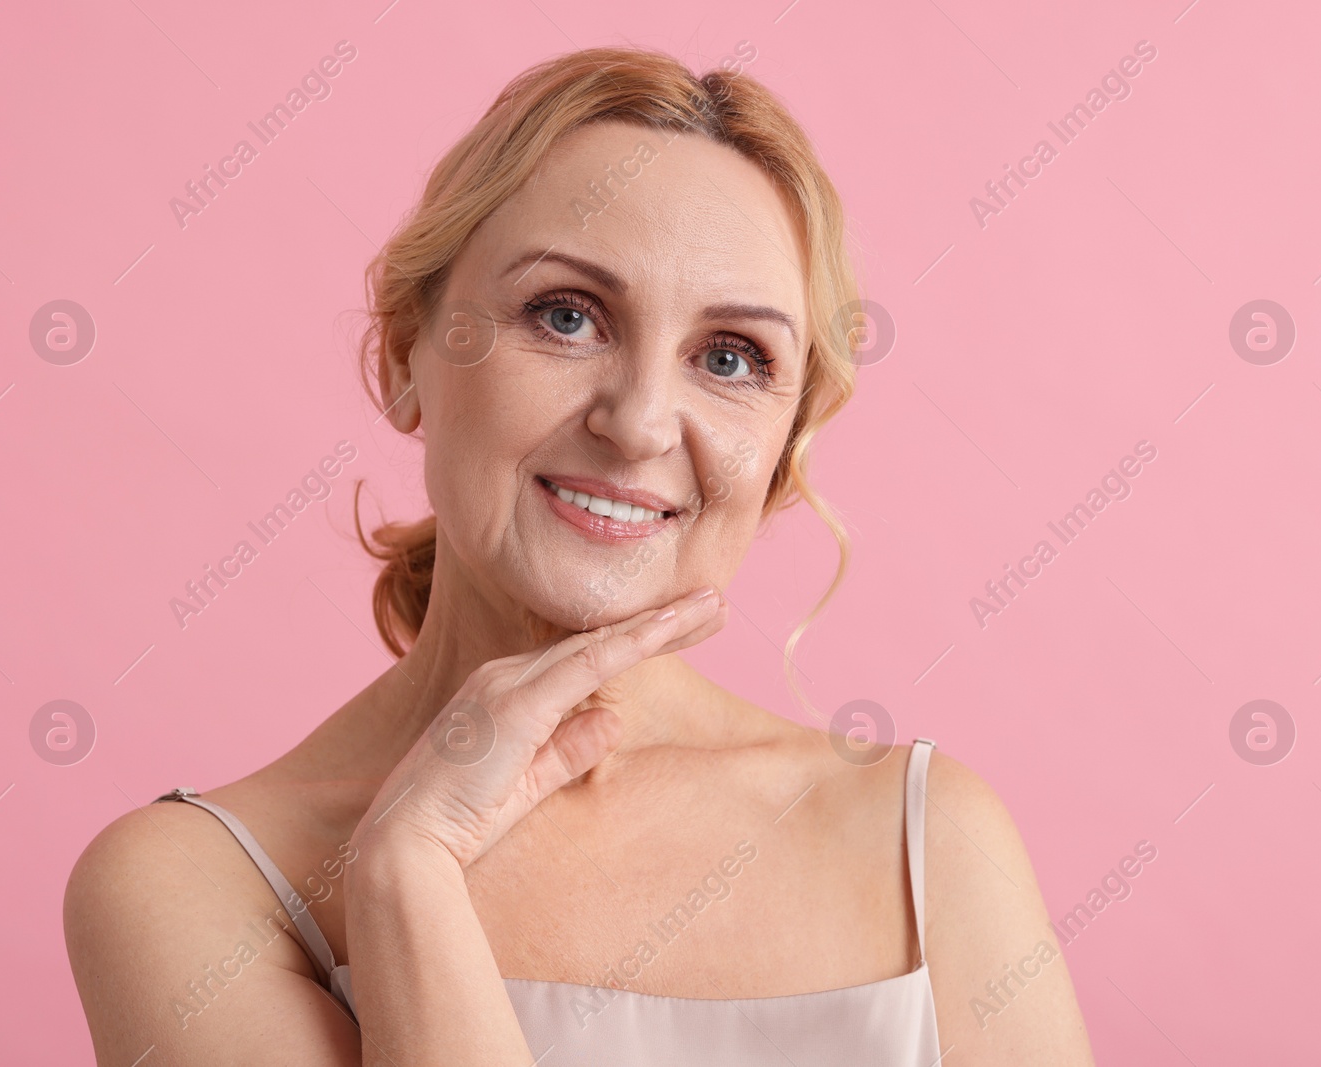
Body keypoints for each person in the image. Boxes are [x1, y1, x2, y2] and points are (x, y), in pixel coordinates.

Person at [63, 46, 1095, 1066]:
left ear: (783, 449)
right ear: (403, 356)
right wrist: (408, 866)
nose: (641, 420)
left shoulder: (928, 841)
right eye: (566, 316)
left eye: (729, 357)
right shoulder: (194, 883)